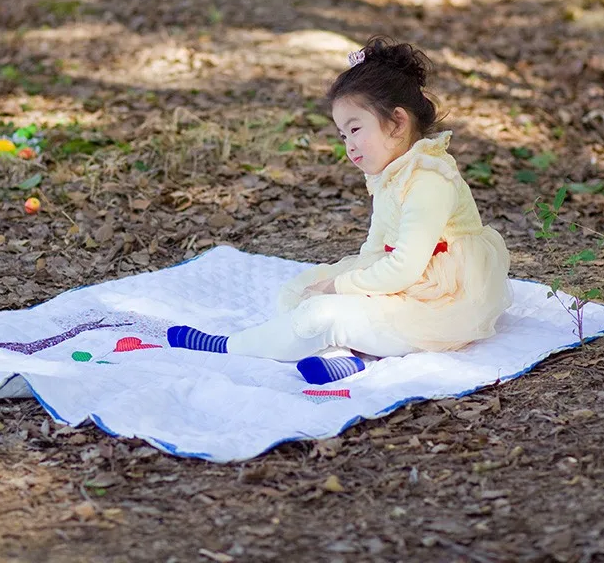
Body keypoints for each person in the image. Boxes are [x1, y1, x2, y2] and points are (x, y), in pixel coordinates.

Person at [167, 38, 512, 384]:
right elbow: (375, 249)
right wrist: (337, 284)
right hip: (404, 283)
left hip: (441, 300)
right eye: (342, 135)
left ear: (396, 123)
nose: (349, 145)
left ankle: (230, 346)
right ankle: (347, 356)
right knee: (298, 291)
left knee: (320, 313)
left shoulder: (429, 179)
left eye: (356, 129)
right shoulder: (391, 175)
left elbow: (404, 267)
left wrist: (339, 288)